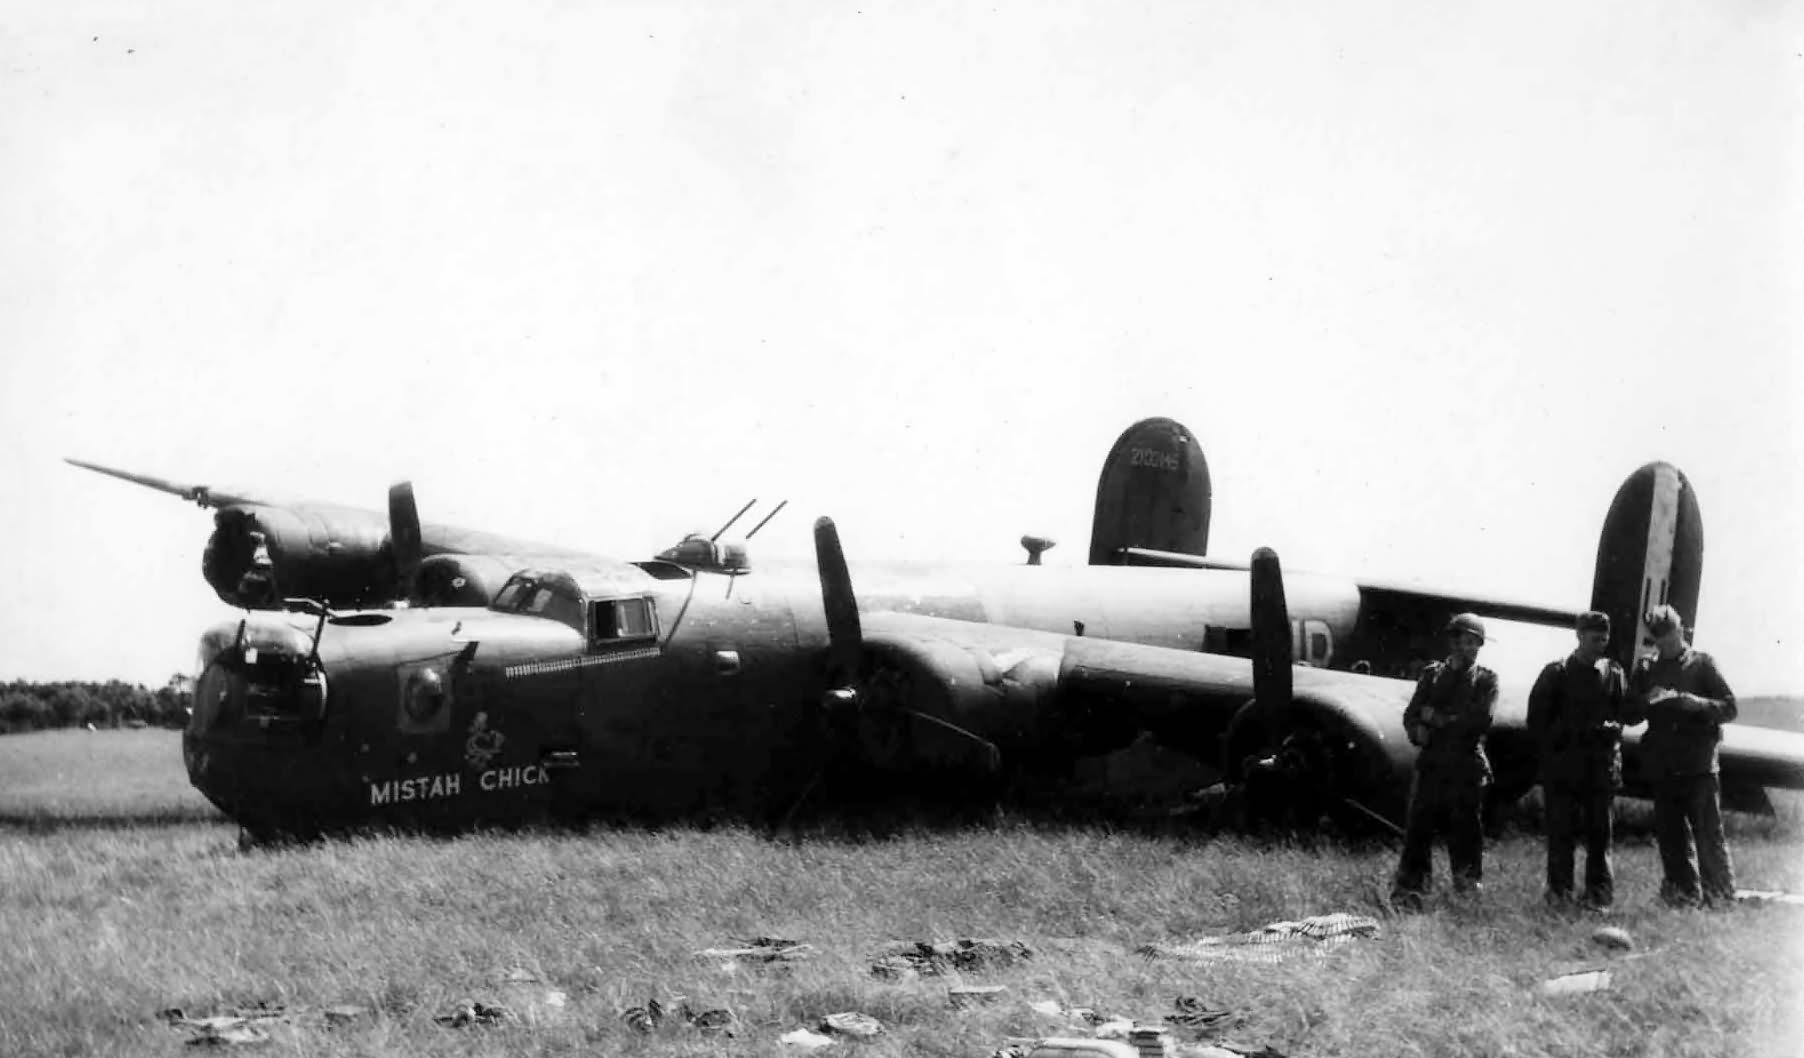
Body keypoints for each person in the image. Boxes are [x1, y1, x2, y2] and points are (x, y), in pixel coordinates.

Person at [1624, 604, 1738, 907]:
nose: (1666, 642)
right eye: (1658, 638)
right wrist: (1645, 701)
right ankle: (1682, 897)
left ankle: (1721, 899)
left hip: (1699, 765)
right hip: (1663, 765)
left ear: (1681, 629)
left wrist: (1698, 704)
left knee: (1708, 836)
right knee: (1671, 837)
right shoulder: (1646, 669)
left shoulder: (1703, 664)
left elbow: (1730, 707)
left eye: (1670, 635)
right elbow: (1629, 714)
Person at [1390, 612, 1499, 910]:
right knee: (1418, 831)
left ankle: (1467, 893)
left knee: (1466, 833)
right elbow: (1411, 714)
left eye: (1473, 643)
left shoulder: (1486, 680)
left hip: (1466, 767)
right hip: (1432, 765)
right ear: (1452, 642)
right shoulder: (1432, 674)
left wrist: (1434, 718)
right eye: (1463, 641)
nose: (1468, 648)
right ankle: (1410, 892)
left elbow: (1479, 721)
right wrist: (1417, 731)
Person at [1527, 611, 1627, 910]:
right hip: (1564, 771)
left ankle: (1599, 899)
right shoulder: (1555, 673)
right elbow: (1536, 723)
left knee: (1600, 838)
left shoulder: (1615, 673)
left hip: (1601, 771)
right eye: (1595, 638)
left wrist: (1612, 728)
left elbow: (1624, 714)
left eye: (1605, 639)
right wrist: (1574, 732)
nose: (1601, 644)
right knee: (1561, 838)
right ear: (1579, 636)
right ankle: (1559, 896)